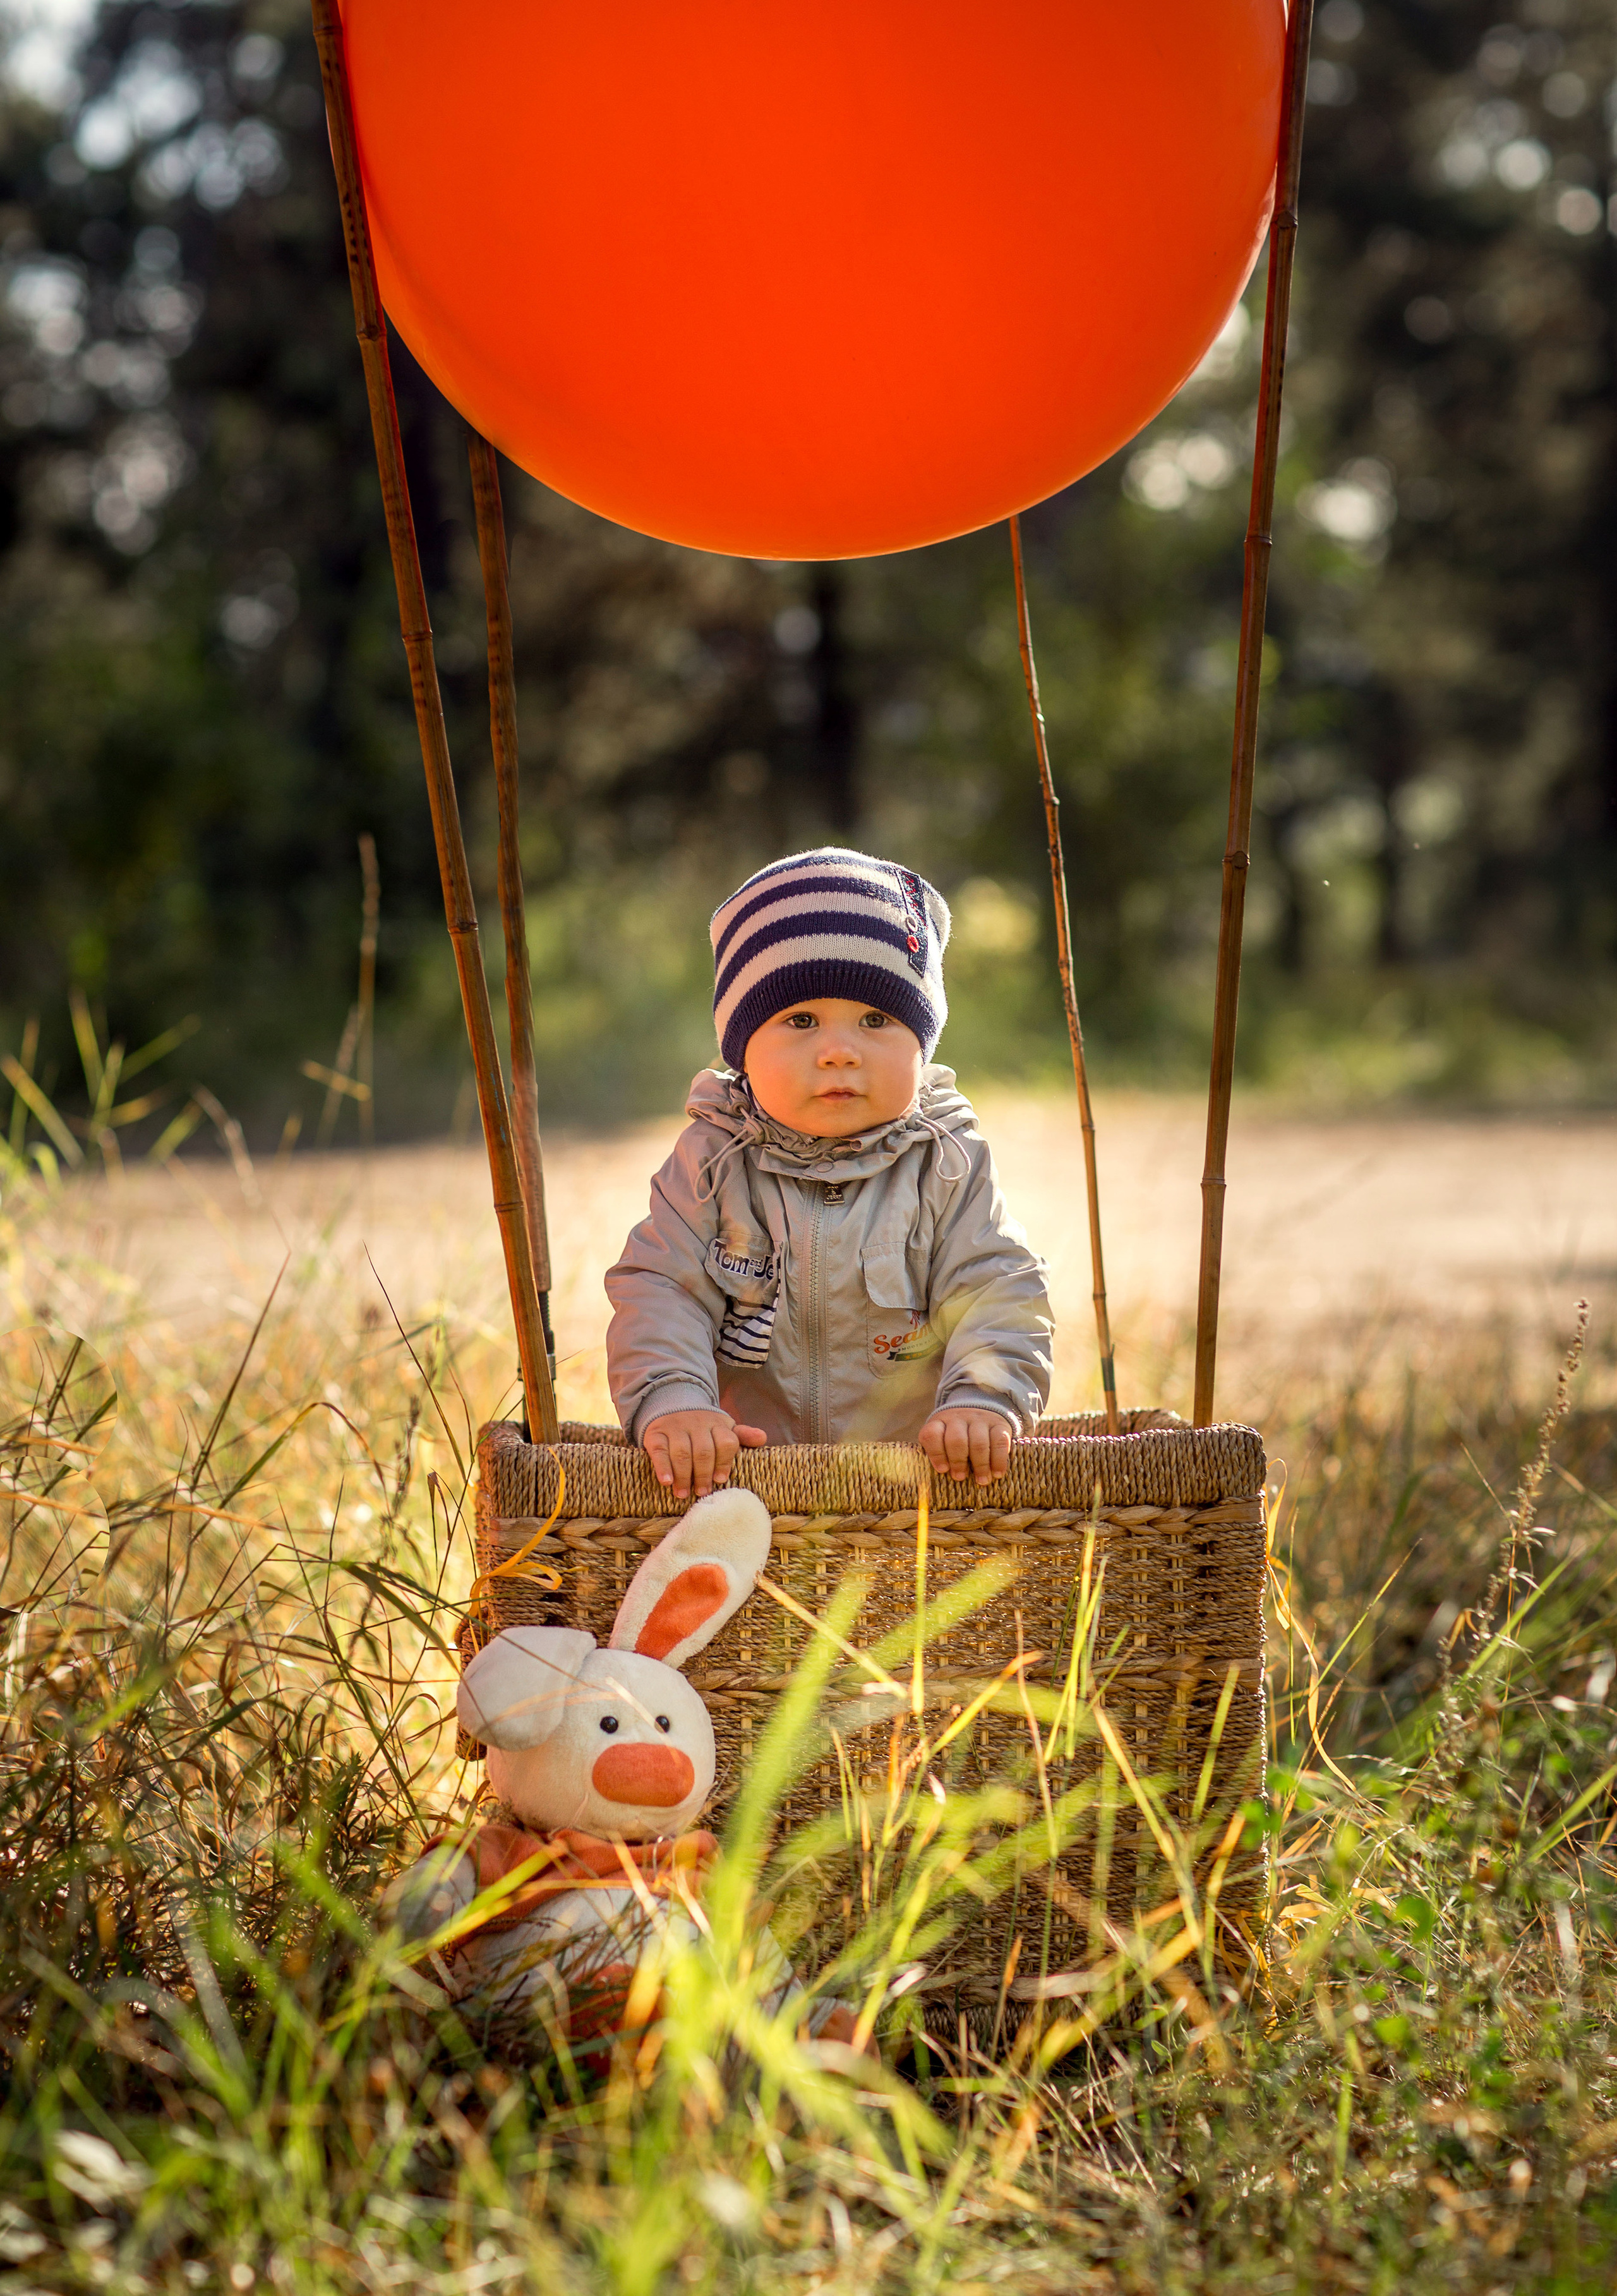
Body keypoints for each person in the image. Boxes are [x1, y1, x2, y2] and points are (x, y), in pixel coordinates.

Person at [605, 848, 1052, 1499]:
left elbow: (996, 1285)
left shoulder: (944, 1160)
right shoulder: (711, 1163)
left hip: (918, 1489)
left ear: (922, 1044)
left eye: (877, 1020)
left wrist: (983, 1400)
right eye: (801, 1020)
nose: (840, 1051)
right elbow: (663, 1288)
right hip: (746, 1481)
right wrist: (675, 1400)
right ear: (741, 1048)